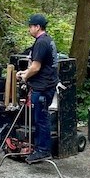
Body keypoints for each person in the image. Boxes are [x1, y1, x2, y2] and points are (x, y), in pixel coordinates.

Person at [16, 13, 59, 163]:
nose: (29, 29)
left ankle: (43, 150)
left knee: (41, 118)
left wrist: (24, 76)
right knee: (40, 117)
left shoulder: (41, 43)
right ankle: (40, 147)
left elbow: (35, 67)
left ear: (37, 27)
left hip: (43, 87)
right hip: (46, 84)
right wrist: (24, 72)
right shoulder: (48, 40)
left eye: (30, 26)